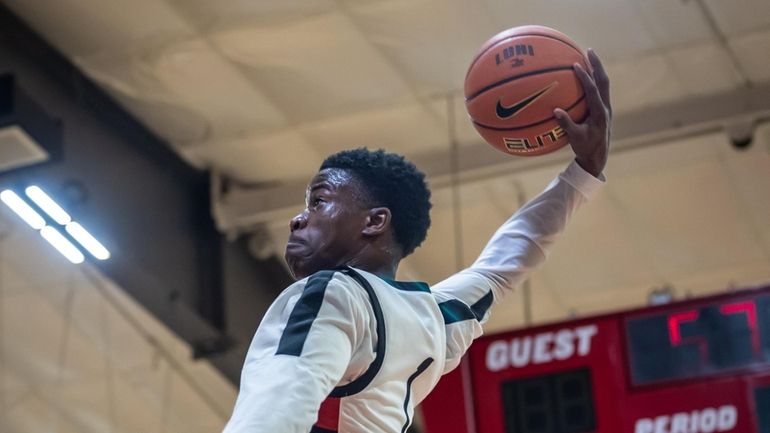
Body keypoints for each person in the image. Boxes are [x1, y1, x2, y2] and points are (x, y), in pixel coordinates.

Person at [222, 49, 611, 433]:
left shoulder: (334, 294)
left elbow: (281, 397)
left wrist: (583, 174)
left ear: (374, 222)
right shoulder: (435, 319)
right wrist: (584, 172)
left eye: (319, 201)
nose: (298, 219)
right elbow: (504, 264)